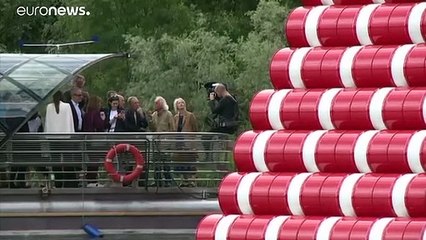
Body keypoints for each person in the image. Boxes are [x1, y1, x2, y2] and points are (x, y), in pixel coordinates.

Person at [44, 91, 75, 188]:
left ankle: (58, 182)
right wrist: (72, 134)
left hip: (53, 138)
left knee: (55, 161)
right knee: (68, 160)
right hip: (66, 137)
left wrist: (47, 135)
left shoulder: (49, 107)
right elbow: (70, 121)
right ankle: (70, 182)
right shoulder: (67, 106)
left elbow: (47, 122)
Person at [173, 98, 197, 187]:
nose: (181, 104)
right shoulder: (175, 117)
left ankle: (192, 180)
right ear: (176, 105)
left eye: (183, 102)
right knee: (181, 160)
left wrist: (193, 140)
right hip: (179, 141)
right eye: (179, 103)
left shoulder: (190, 115)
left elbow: (195, 129)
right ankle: (184, 180)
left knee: (190, 160)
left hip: (188, 141)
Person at [150, 96, 175, 187]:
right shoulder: (153, 115)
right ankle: (157, 180)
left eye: (157, 103)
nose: (155, 105)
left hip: (166, 142)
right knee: (156, 162)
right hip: (156, 142)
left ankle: (168, 181)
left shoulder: (168, 114)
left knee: (166, 163)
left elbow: (172, 128)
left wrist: (171, 142)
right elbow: (152, 128)